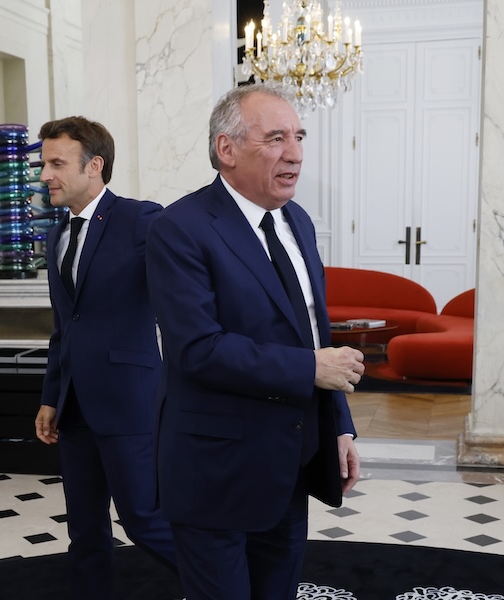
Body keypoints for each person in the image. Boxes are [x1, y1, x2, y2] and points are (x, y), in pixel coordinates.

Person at [146, 83, 364, 599]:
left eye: (299, 137)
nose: (294, 153)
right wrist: (310, 369)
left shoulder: (299, 223)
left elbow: (313, 333)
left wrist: (339, 426)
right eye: (275, 139)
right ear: (227, 149)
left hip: (290, 461)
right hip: (214, 470)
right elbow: (197, 349)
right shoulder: (180, 228)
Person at [32, 116, 176, 599]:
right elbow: (63, 328)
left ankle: (227, 585)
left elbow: (184, 288)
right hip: (74, 406)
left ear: (94, 166)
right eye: (43, 163)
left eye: (56, 163)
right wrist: (51, 396)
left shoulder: (142, 220)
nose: (44, 175)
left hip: (128, 400)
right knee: (85, 528)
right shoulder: (56, 236)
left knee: (144, 519)